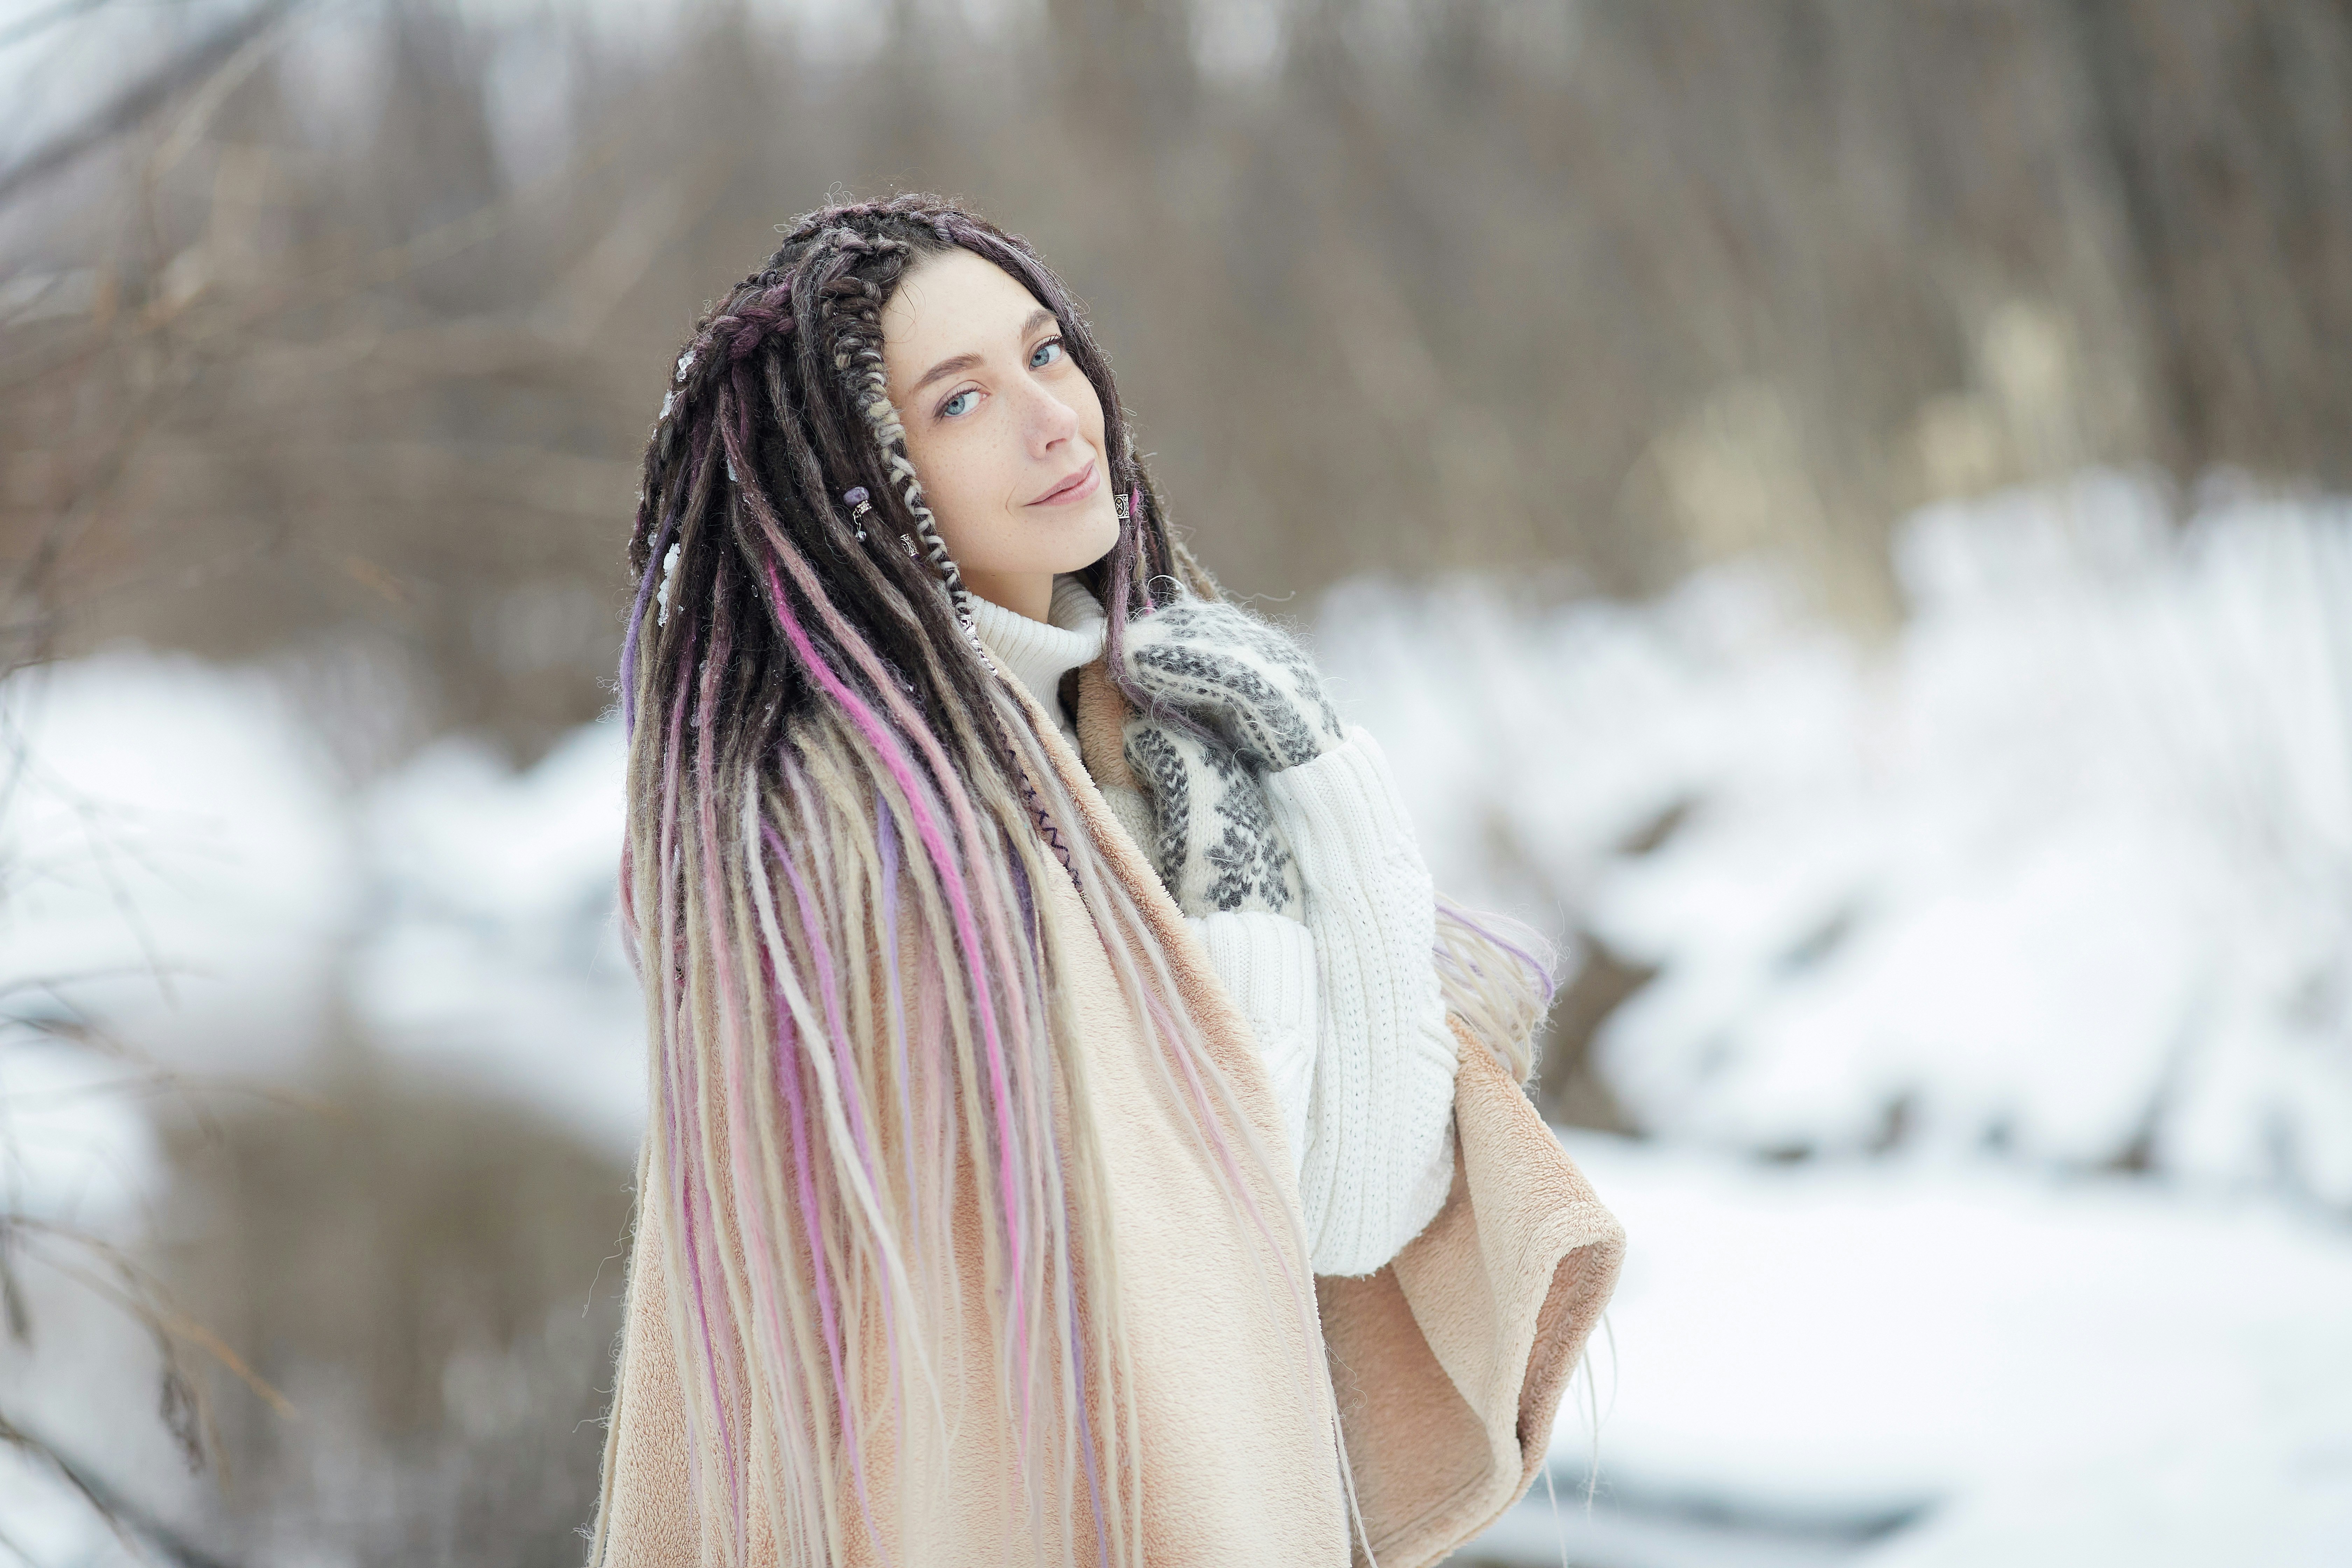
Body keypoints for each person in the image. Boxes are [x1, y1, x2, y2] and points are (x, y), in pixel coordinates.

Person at [587, 193, 1622, 1568]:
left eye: (1047, 353)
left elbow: (1345, 1212)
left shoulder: (1154, 745)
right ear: (865, 478)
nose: (1053, 418)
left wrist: (1314, 783)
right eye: (958, 402)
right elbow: (1181, 1235)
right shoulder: (863, 840)